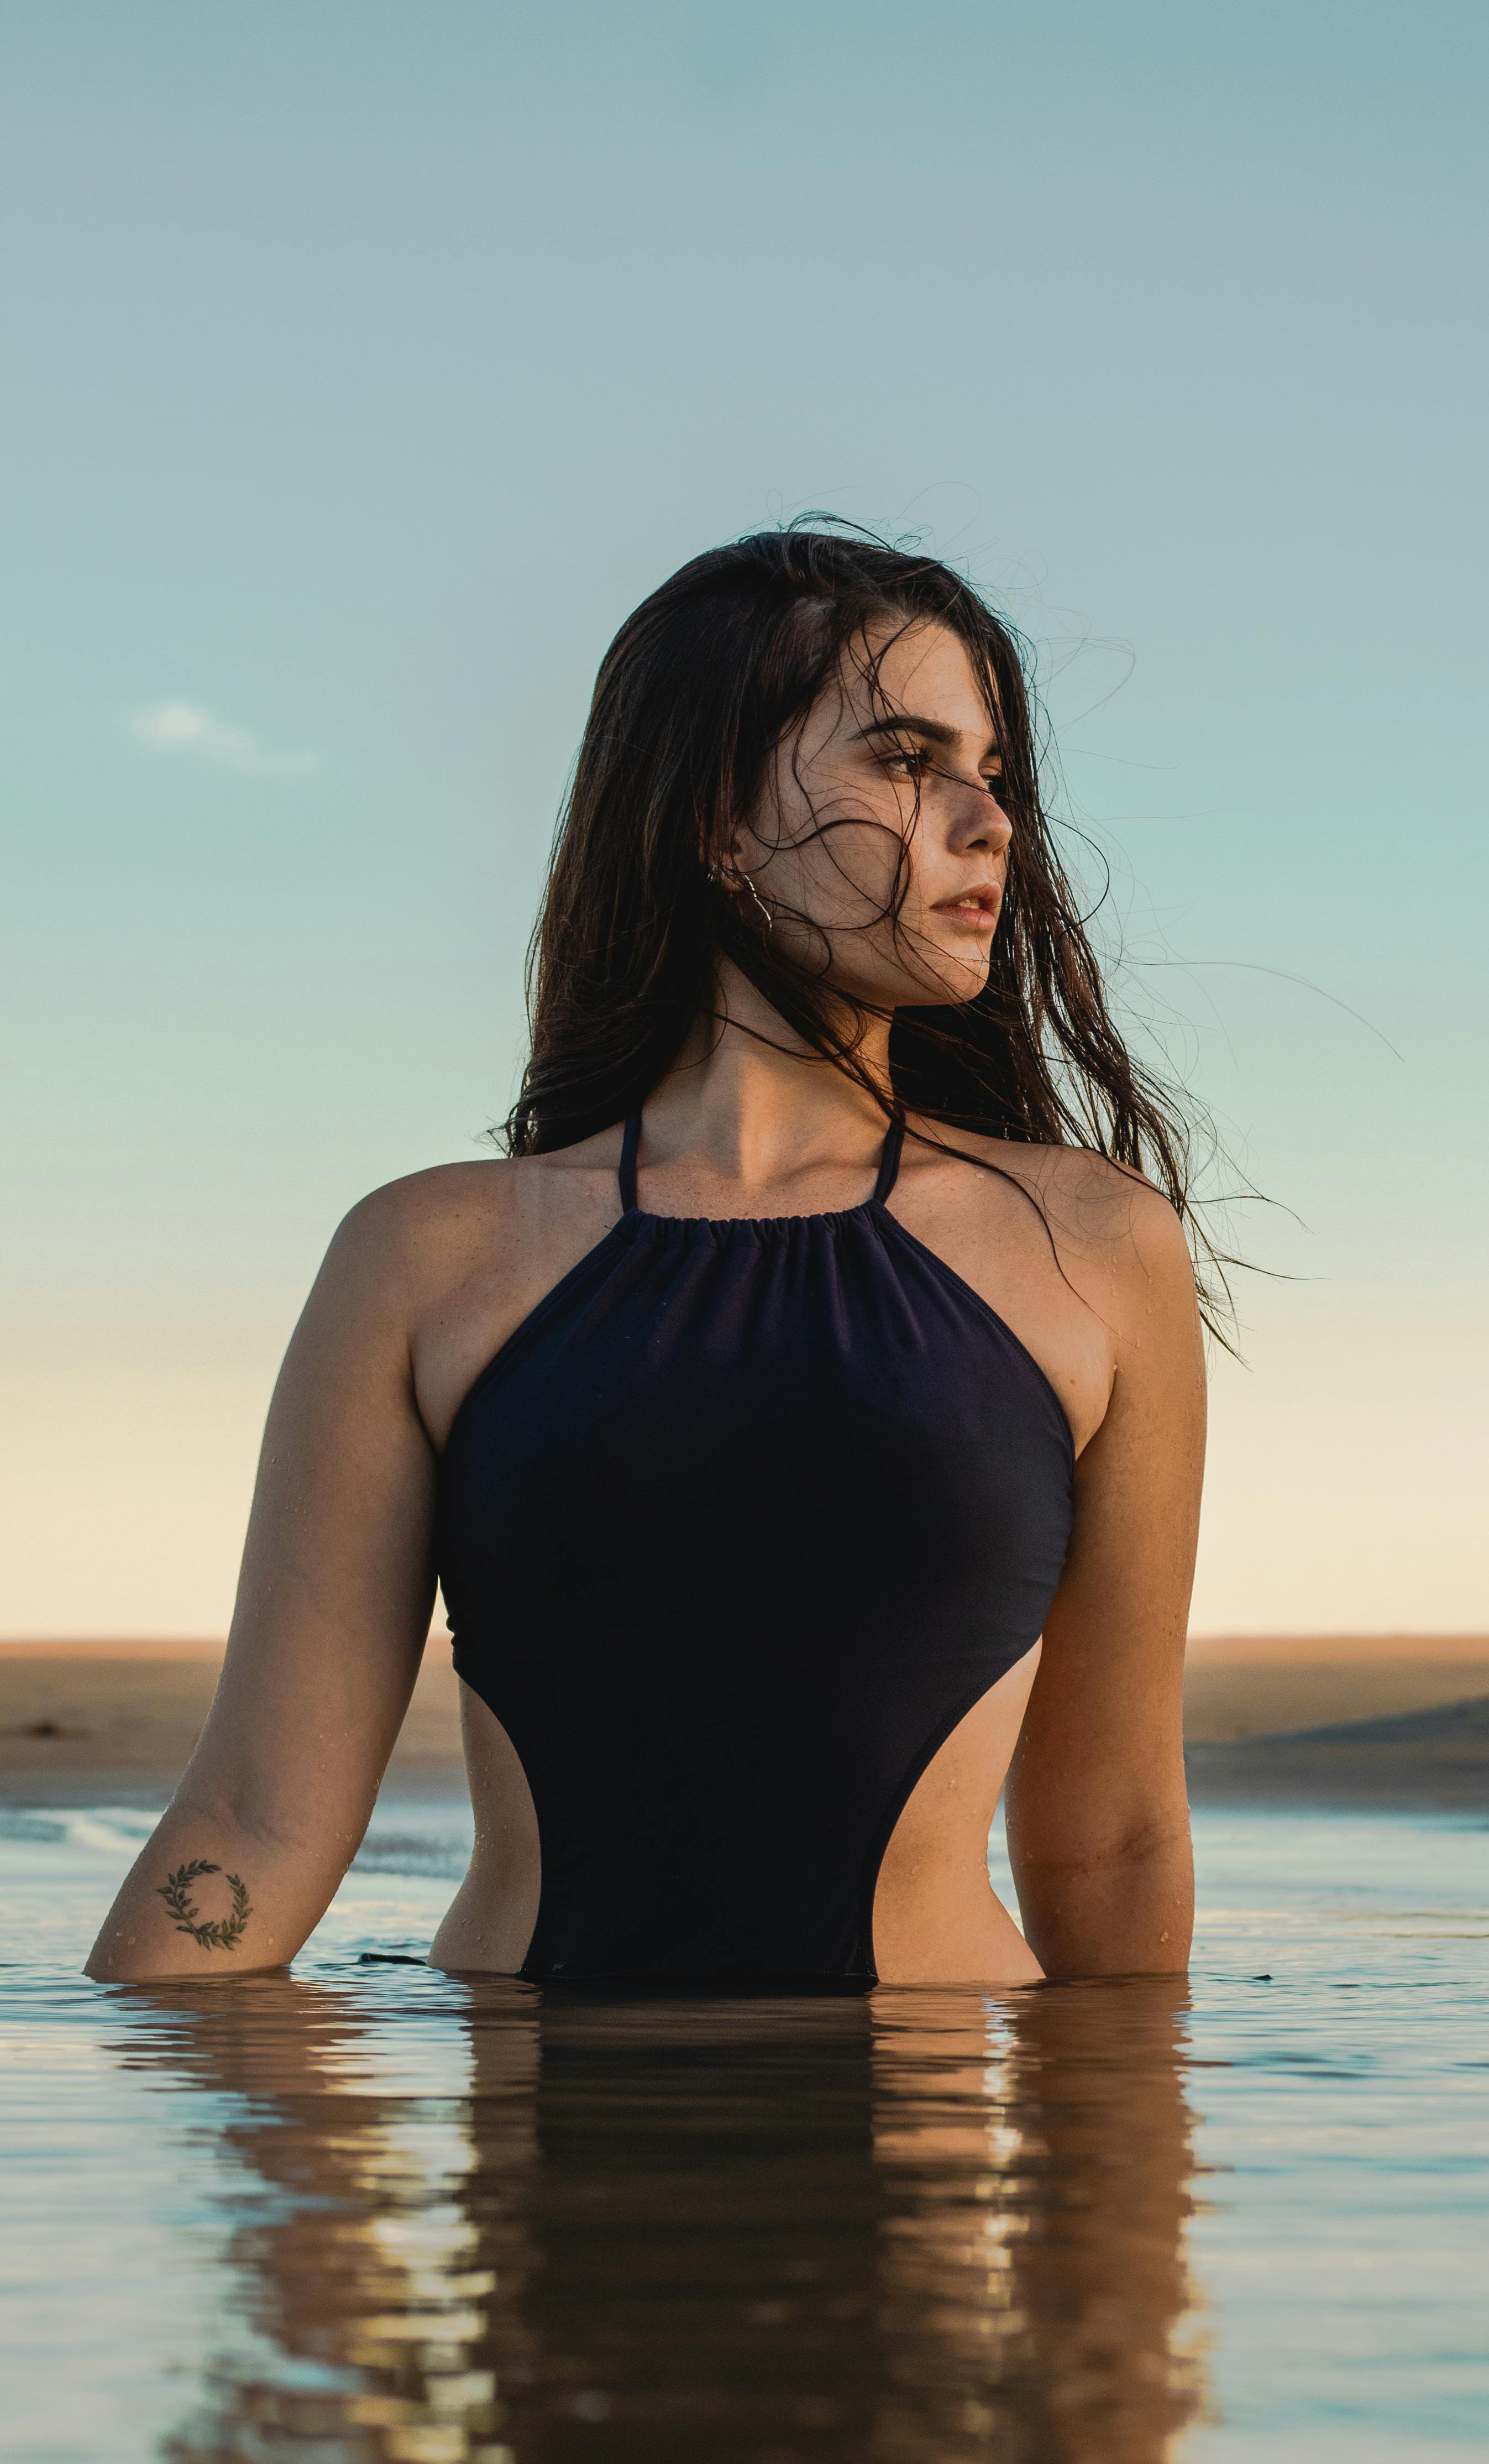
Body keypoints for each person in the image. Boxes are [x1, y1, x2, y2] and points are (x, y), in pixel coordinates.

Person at [86, 528, 1209, 1989]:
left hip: (935, 2165)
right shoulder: (426, 1258)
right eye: (907, 758)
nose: (987, 820)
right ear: (717, 817)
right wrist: (126, 2125)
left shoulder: (1093, 1247)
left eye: (995, 773)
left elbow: (1112, 1839)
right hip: (541, 2184)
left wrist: (1122, 2191)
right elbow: (249, 1824)